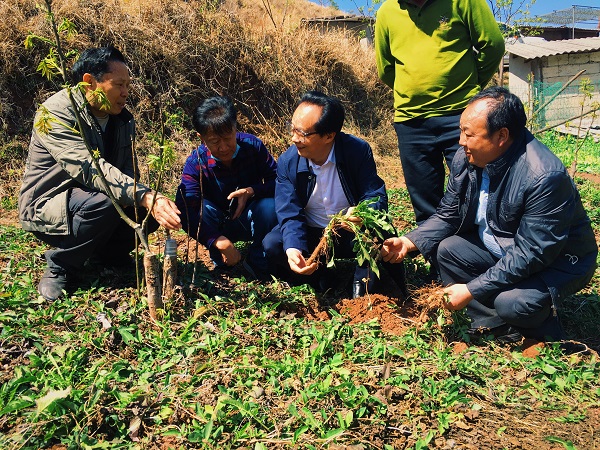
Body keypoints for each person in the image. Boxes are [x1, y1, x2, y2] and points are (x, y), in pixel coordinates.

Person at [381, 87, 598, 342]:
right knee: (448, 250)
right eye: (461, 131)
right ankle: (496, 326)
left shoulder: (543, 176)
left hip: (558, 262)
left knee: (513, 303)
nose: (461, 141)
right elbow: (449, 213)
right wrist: (409, 241)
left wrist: (471, 289)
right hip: (504, 248)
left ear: (501, 136)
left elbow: (531, 254)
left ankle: (543, 332)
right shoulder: (469, 158)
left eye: (469, 134)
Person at [19, 46, 182, 302]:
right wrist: (144, 195)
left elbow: (128, 170)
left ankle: (108, 256)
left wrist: (143, 197)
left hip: (95, 200)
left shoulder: (122, 119)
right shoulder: (56, 113)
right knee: (112, 201)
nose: (125, 93)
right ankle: (61, 265)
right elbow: (88, 167)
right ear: (89, 82)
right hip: (49, 204)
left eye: (127, 85)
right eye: (118, 85)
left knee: (145, 211)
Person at [264, 91, 406, 299]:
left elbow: (375, 195)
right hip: (314, 236)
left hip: (351, 233)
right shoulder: (288, 162)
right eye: (292, 128)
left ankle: (367, 280)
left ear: (329, 136)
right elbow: (289, 212)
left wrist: (362, 213)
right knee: (274, 244)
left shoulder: (356, 151)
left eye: (302, 133)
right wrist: (293, 247)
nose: (294, 138)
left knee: (379, 237)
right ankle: (320, 275)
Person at [375, 0, 505, 224]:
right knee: (425, 201)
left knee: (475, 190)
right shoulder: (387, 12)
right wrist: (413, 91)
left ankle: (477, 241)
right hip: (411, 120)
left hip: (460, 115)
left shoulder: (463, 2)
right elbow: (385, 69)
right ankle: (432, 245)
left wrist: (471, 87)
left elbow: (492, 45)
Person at [175, 96, 277, 280]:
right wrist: (216, 240)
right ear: (201, 138)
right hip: (218, 224)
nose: (223, 147)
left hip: (250, 219)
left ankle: (257, 260)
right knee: (201, 209)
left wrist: (252, 191)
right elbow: (185, 208)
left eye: (228, 138)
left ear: (235, 128)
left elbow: (279, 182)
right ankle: (222, 261)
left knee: (270, 207)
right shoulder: (196, 163)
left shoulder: (253, 146)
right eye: (214, 141)